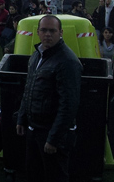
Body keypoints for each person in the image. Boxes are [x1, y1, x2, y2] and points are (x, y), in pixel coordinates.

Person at [16, 15, 82, 182]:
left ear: (61, 33)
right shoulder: (37, 55)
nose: (47, 34)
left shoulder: (67, 61)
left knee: (54, 176)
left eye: (52, 31)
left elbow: (69, 105)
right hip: (34, 129)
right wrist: (22, 117)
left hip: (52, 133)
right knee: (33, 174)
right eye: (44, 30)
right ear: (38, 32)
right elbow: (29, 88)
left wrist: (54, 139)